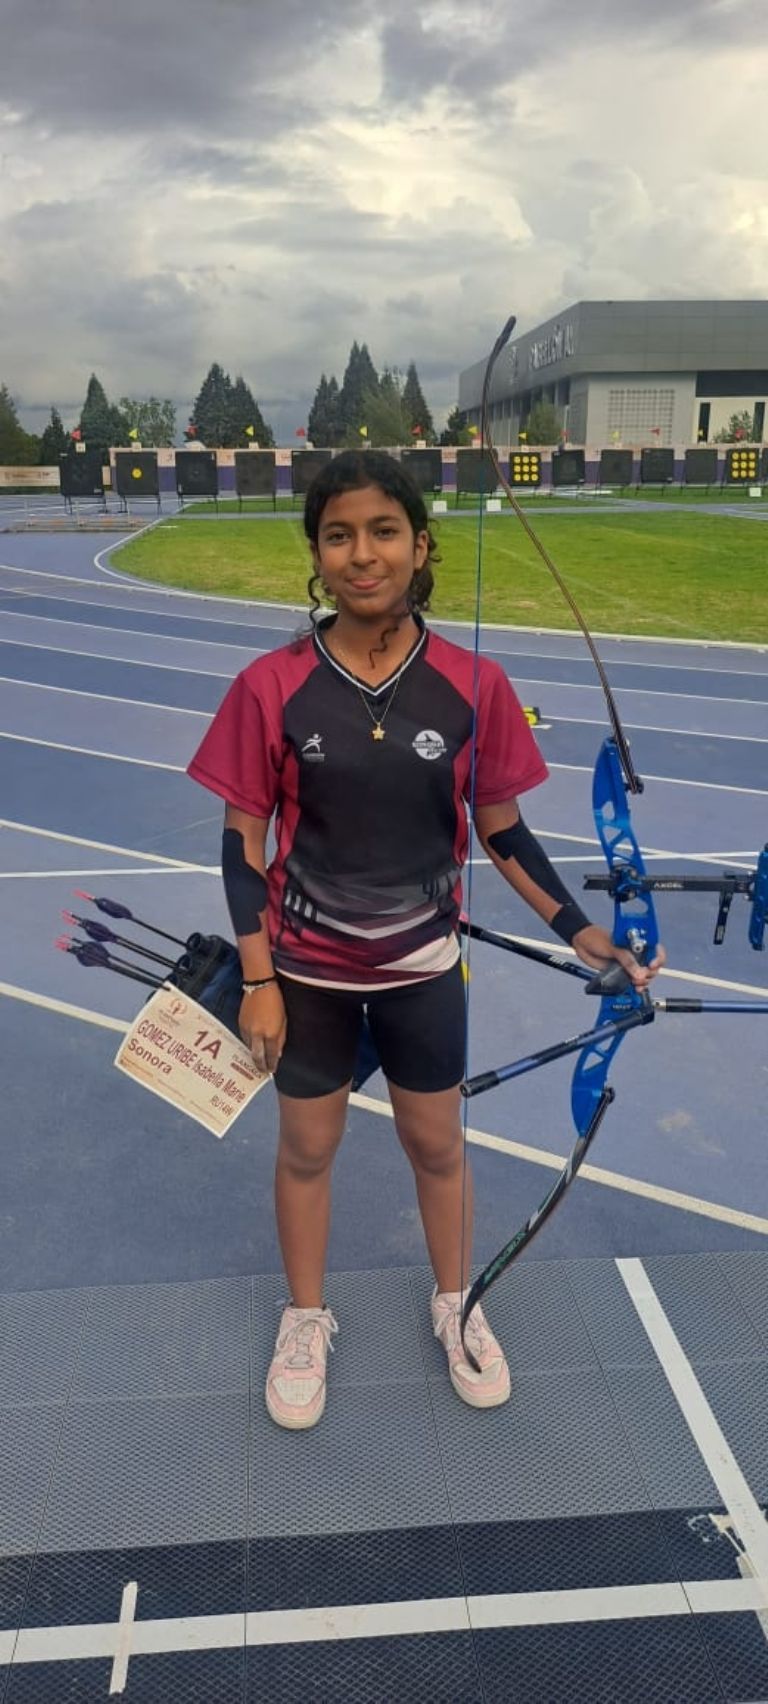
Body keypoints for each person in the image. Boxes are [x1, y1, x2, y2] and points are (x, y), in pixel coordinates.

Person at [187, 450, 664, 1431]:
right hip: (307, 978)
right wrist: (259, 979)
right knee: (307, 1148)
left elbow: (504, 829)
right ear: (317, 555)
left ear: (422, 546)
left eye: (384, 531)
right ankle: (307, 1316)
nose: (363, 554)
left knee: (437, 1144)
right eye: (339, 534)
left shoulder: (474, 684)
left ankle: (459, 1303)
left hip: (423, 977)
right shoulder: (270, 684)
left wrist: (583, 934)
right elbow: (243, 843)